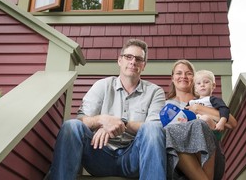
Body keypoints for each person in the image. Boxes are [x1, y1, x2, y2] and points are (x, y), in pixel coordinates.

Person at [46, 39, 167, 180]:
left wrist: (121, 123)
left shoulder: (155, 91)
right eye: (128, 57)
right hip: (100, 154)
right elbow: (82, 120)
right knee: (71, 126)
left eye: (139, 59)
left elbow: (155, 126)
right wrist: (102, 120)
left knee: (153, 129)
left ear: (143, 65)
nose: (133, 62)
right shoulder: (102, 85)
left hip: (134, 158)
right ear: (119, 60)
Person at [164, 60, 237, 180]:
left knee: (199, 124)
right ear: (172, 78)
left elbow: (232, 123)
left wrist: (199, 108)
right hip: (181, 163)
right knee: (172, 132)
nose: (183, 76)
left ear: (194, 78)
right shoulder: (166, 106)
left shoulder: (207, 100)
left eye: (188, 73)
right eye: (179, 73)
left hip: (211, 156)